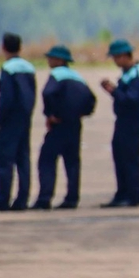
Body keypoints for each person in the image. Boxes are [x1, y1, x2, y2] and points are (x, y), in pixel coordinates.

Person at [35, 45, 94, 209]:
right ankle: (72, 198)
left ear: (59, 60)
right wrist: (83, 112)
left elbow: (47, 93)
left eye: (51, 58)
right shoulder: (77, 77)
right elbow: (91, 99)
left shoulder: (56, 75)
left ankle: (44, 198)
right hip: (75, 125)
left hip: (59, 124)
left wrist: (50, 114)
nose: (48, 61)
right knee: (72, 162)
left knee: (46, 159)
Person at [100, 40, 139, 207]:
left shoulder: (137, 76)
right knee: (120, 157)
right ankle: (122, 193)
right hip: (123, 122)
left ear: (124, 56)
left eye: (116, 57)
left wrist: (114, 91)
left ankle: (133, 195)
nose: (115, 61)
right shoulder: (128, 75)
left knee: (130, 159)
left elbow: (132, 100)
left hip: (132, 122)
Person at [0, 33, 37, 211]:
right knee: (23, 158)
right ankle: (22, 199)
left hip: (10, 119)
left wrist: (0, 119)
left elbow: (6, 98)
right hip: (25, 118)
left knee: (5, 160)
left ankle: (3, 199)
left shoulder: (8, 69)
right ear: (20, 47)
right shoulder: (29, 68)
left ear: (3, 48)